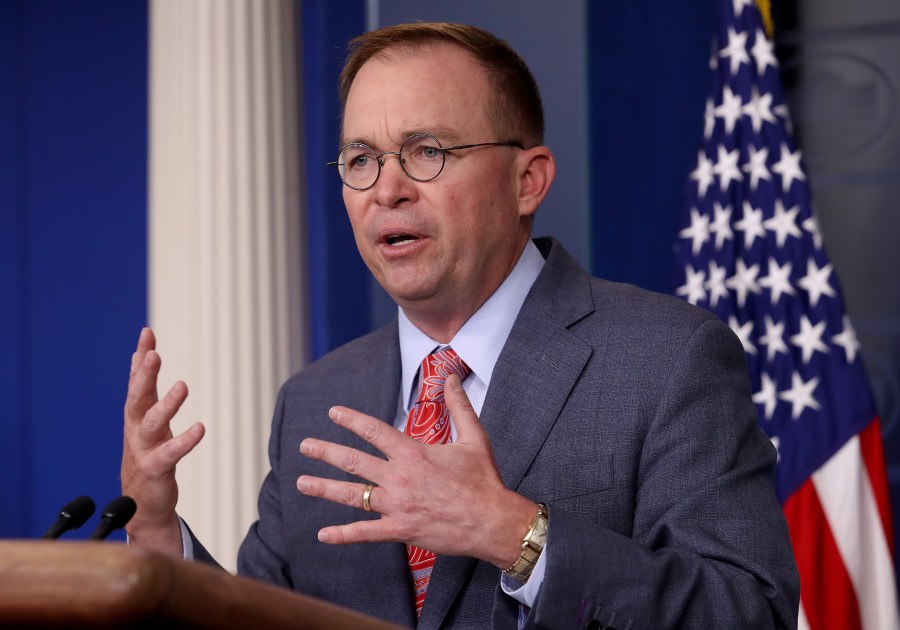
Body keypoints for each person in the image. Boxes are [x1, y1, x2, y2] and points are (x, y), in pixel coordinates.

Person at [122, 22, 800, 630]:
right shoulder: (315, 400)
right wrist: (156, 533)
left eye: (427, 151)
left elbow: (749, 612)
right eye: (361, 160)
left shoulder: (665, 357)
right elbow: (260, 616)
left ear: (527, 181)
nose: (387, 189)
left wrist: (515, 533)